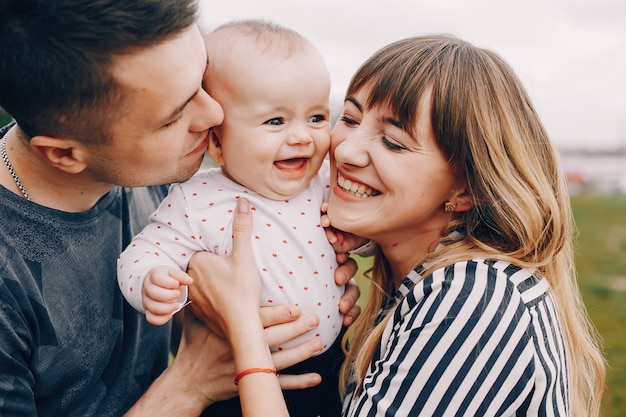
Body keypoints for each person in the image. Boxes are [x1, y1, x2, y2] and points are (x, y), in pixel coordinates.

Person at [188, 34, 607, 417]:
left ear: (463, 191)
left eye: (393, 142)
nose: (346, 151)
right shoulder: (423, 282)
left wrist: (243, 325)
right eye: (348, 119)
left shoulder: (472, 302)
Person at [0, 1, 360, 416]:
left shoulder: (158, 178)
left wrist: (303, 282)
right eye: (173, 117)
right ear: (64, 153)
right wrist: (190, 385)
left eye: (202, 84)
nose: (214, 113)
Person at [117, 19, 345, 417]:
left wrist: (353, 241)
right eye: (276, 121)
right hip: (231, 382)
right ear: (218, 143)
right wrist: (152, 281)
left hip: (325, 365)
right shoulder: (197, 199)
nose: (302, 137)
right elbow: (145, 251)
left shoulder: (324, 182)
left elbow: (363, 224)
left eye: (316, 118)